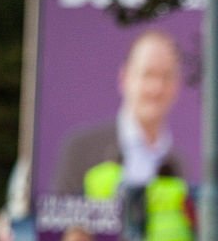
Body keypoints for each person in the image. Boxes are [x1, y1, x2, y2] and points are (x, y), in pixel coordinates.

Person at [53, 30, 184, 196]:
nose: (156, 88)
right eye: (147, 74)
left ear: (177, 85)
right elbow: (59, 217)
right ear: (125, 78)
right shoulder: (81, 148)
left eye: (166, 76)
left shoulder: (181, 165)